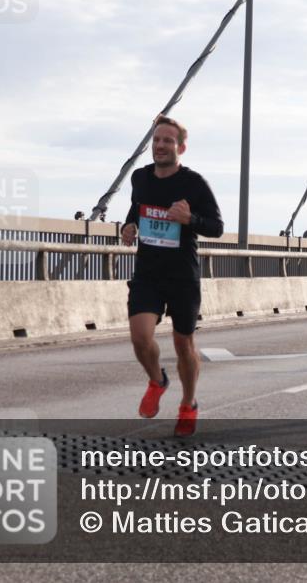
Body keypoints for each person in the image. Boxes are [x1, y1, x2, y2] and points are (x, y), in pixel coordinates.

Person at [122, 115, 223, 437]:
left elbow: (216, 228)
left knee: (184, 344)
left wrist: (189, 217)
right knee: (140, 337)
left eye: (168, 141)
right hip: (148, 272)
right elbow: (136, 208)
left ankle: (188, 403)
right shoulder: (140, 177)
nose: (160, 146)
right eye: (156, 140)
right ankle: (157, 380)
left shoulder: (194, 183)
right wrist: (128, 227)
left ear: (181, 147)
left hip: (182, 276)